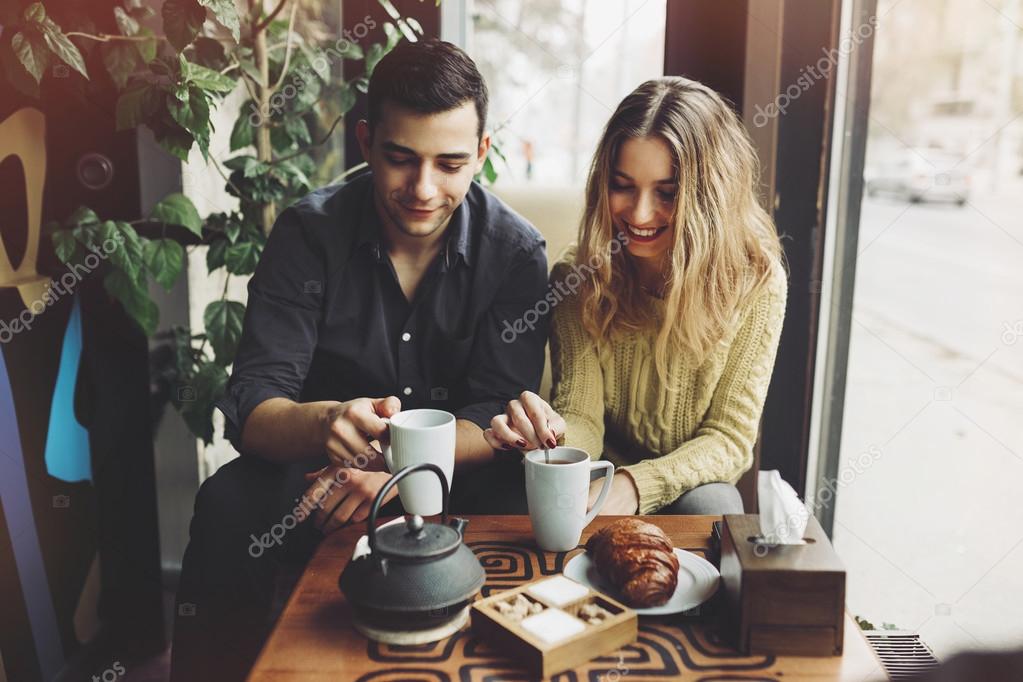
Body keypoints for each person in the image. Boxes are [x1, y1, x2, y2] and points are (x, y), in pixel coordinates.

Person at [170, 39, 548, 681]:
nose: (424, 190)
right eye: (401, 159)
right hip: (320, 477)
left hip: (458, 474)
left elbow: (494, 413)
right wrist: (323, 424)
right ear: (367, 140)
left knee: (524, 491)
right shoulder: (306, 235)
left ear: (481, 155)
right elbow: (254, 408)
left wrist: (400, 475)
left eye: (450, 164)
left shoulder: (514, 253)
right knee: (227, 503)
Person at [485, 76, 787, 516]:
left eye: (667, 193)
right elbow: (582, 414)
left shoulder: (757, 282)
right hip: (598, 473)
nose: (640, 213)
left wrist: (634, 485)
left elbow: (728, 440)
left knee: (716, 501)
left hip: (685, 482)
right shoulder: (580, 275)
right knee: (513, 486)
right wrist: (553, 439)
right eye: (623, 185)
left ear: (710, 196)